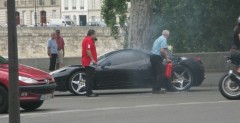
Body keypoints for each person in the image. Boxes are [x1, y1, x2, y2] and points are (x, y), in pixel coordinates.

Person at [150, 30, 171, 94]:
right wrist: (167, 58)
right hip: (157, 57)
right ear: (167, 35)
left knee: (155, 74)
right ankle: (157, 90)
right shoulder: (164, 39)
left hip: (152, 56)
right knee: (160, 73)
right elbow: (162, 51)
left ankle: (154, 89)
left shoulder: (158, 39)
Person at [81, 29, 98, 97]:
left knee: (90, 77)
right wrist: (92, 59)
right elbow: (88, 50)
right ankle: (89, 92)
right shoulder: (88, 40)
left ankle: (89, 91)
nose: (95, 35)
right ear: (91, 34)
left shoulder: (87, 40)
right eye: (94, 34)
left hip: (88, 61)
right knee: (90, 77)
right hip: (89, 62)